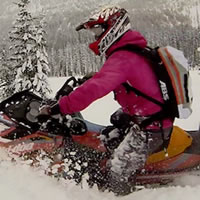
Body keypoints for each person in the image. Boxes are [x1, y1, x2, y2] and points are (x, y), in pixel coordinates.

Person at [40, 6, 175, 195]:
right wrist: (95, 76)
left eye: (97, 31)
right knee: (110, 129)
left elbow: (95, 89)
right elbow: (124, 78)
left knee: (117, 171)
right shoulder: (130, 52)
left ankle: (122, 195)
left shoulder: (123, 57)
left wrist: (61, 106)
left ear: (114, 27)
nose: (95, 37)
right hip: (142, 115)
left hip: (151, 127)